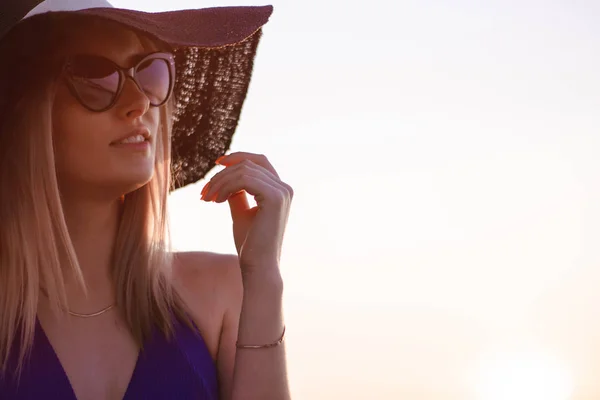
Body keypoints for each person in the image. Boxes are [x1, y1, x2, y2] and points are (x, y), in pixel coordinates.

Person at [0, 1, 293, 399]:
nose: (138, 102)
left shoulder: (221, 293)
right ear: (25, 112)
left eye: (150, 70)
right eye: (96, 75)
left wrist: (264, 279)